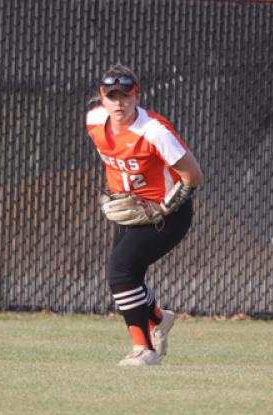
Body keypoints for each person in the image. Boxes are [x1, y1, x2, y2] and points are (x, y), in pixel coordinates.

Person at [86, 63, 203, 366]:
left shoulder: (153, 131)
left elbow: (193, 175)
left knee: (119, 271)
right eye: (112, 96)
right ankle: (156, 323)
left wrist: (165, 206)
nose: (119, 103)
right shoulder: (94, 120)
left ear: (136, 96)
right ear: (102, 97)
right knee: (130, 276)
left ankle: (146, 350)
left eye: (125, 95)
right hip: (130, 210)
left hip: (168, 213)